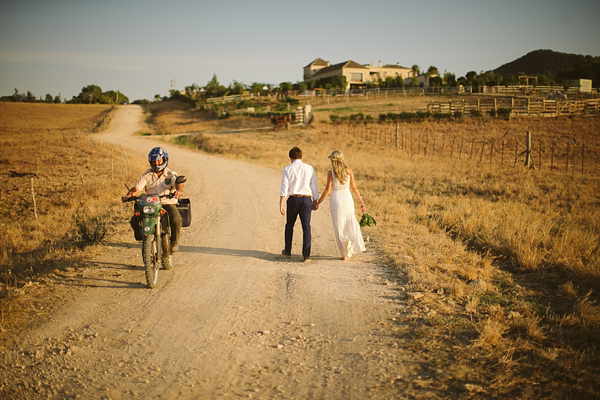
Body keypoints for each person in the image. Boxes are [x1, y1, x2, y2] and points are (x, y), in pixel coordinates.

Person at [122, 147, 184, 252]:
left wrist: (178, 191)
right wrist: (129, 195)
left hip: (166, 203)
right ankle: (144, 238)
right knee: (134, 219)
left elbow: (179, 182)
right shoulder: (147, 175)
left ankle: (174, 242)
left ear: (164, 160)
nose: (156, 163)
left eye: (158, 160)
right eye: (153, 161)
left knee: (176, 219)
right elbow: (137, 188)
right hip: (150, 204)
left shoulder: (170, 174)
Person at [313, 150, 366, 260]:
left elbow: (327, 190)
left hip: (336, 200)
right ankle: (350, 247)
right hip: (347, 199)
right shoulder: (349, 171)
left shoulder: (331, 173)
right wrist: (361, 201)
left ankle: (344, 253)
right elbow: (354, 188)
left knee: (339, 226)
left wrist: (318, 202)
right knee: (349, 223)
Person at [280, 147, 319, 262]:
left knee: (289, 225)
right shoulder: (309, 168)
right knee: (306, 227)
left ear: (290, 157)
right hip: (306, 200)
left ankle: (288, 250)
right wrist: (315, 200)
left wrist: (281, 203)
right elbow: (314, 186)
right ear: (301, 156)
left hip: (293, 199)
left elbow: (284, 188)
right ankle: (306, 255)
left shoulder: (287, 169)